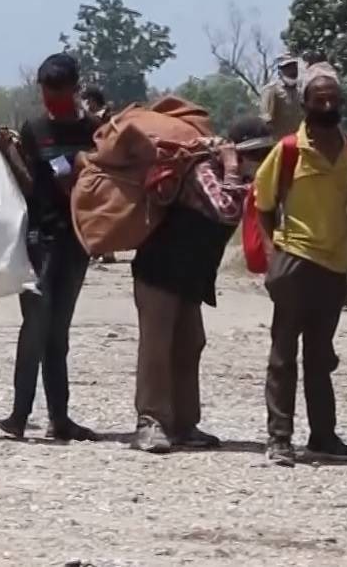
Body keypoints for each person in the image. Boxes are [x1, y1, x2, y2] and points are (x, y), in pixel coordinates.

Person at [252, 64, 347, 466]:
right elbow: (263, 205)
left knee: (321, 356)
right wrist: (273, 256)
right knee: (283, 354)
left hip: (334, 266)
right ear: (304, 104)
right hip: (295, 260)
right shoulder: (287, 150)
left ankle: (324, 436)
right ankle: (279, 438)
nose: (327, 105)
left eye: (333, 98)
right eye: (319, 99)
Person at [131, 116, 265, 452]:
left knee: (190, 344)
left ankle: (184, 423)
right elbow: (227, 208)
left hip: (191, 276)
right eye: (255, 155)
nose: (260, 162)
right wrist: (231, 169)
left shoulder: (245, 181)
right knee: (157, 347)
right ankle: (150, 421)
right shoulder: (203, 171)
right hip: (160, 270)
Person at [0, 53, 99, 441]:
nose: (51, 98)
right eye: (46, 90)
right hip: (39, 240)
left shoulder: (94, 130)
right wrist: (9, 156)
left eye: (59, 90)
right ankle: (19, 415)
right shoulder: (35, 129)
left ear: (74, 88)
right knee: (35, 327)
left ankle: (60, 418)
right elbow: (27, 183)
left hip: (76, 242)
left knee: (58, 333)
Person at [262, 54, 304, 139]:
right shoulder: (272, 89)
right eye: (288, 68)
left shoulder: (301, 89)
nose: (292, 70)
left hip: (300, 140)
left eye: (294, 66)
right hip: (281, 141)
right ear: (280, 71)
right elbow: (267, 119)